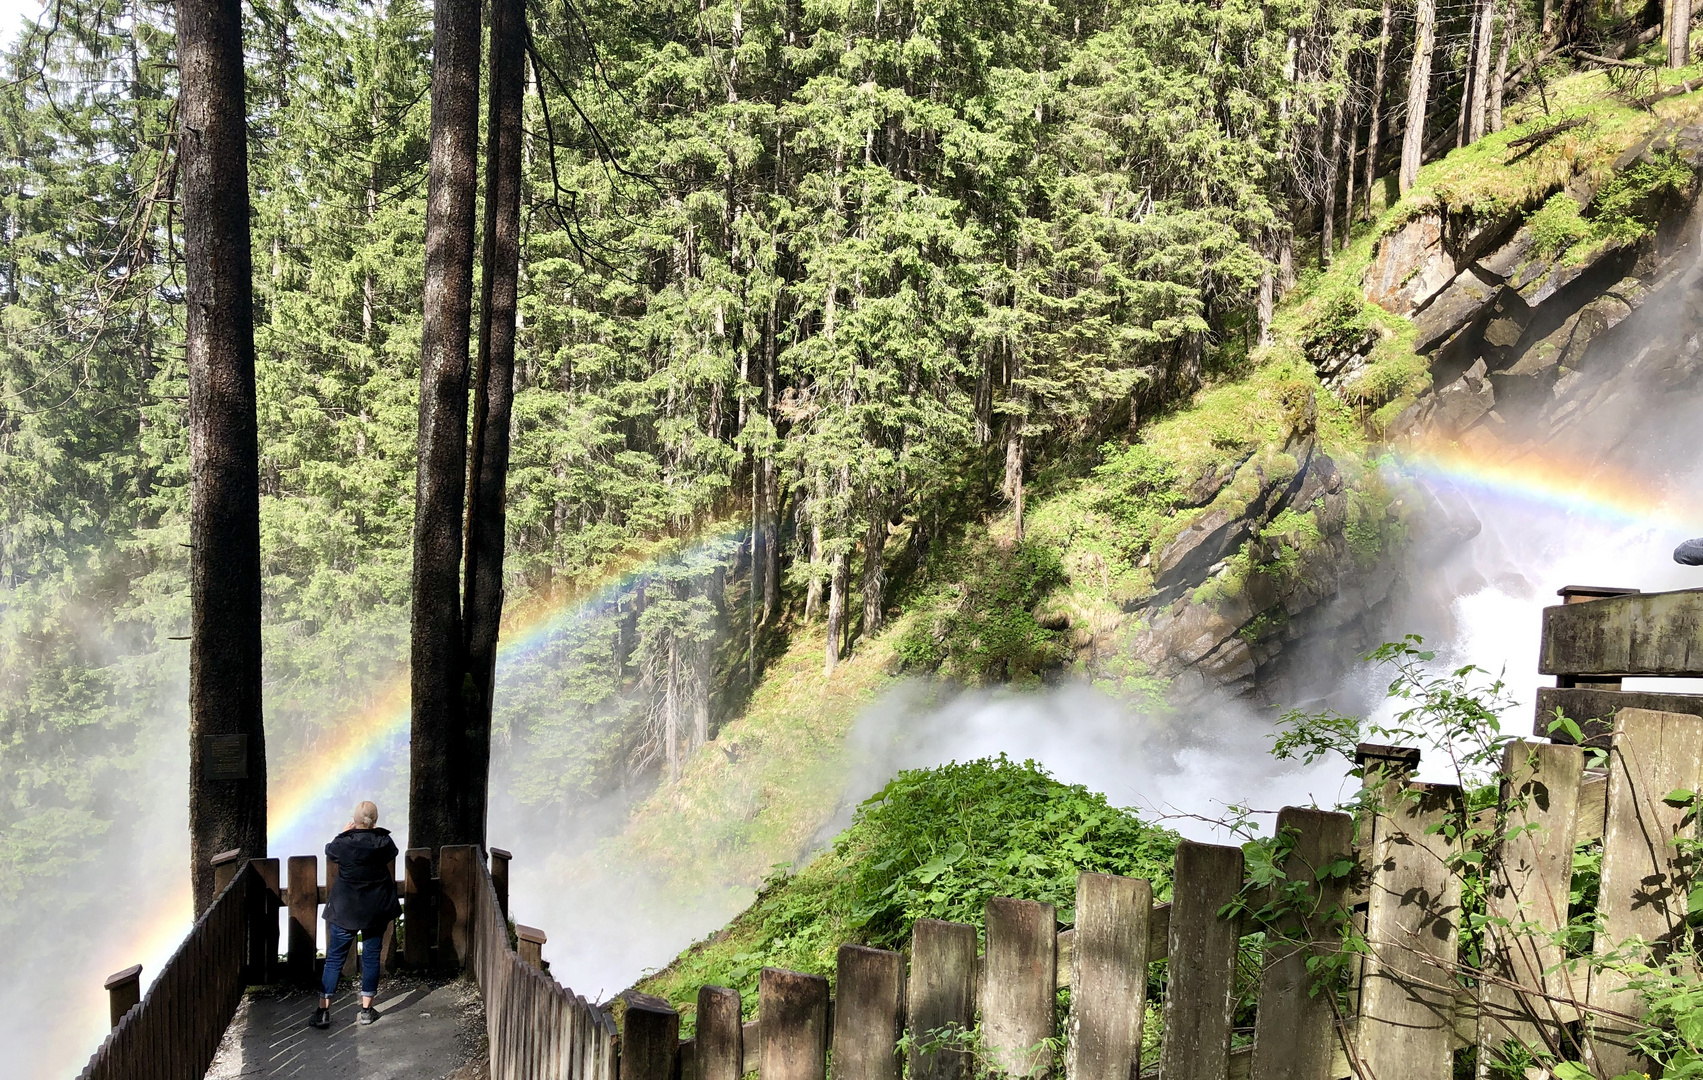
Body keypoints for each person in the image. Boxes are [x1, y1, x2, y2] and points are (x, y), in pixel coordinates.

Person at [309, 800, 400, 1029]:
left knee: (334, 959)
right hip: (374, 911)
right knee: (371, 957)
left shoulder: (343, 844)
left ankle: (323, 1012)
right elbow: (393, 851)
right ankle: (367, 1010)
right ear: (375, 820)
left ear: (355, 820)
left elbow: (330, 850)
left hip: (344, 910)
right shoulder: (383, 842)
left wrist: (344, 833)